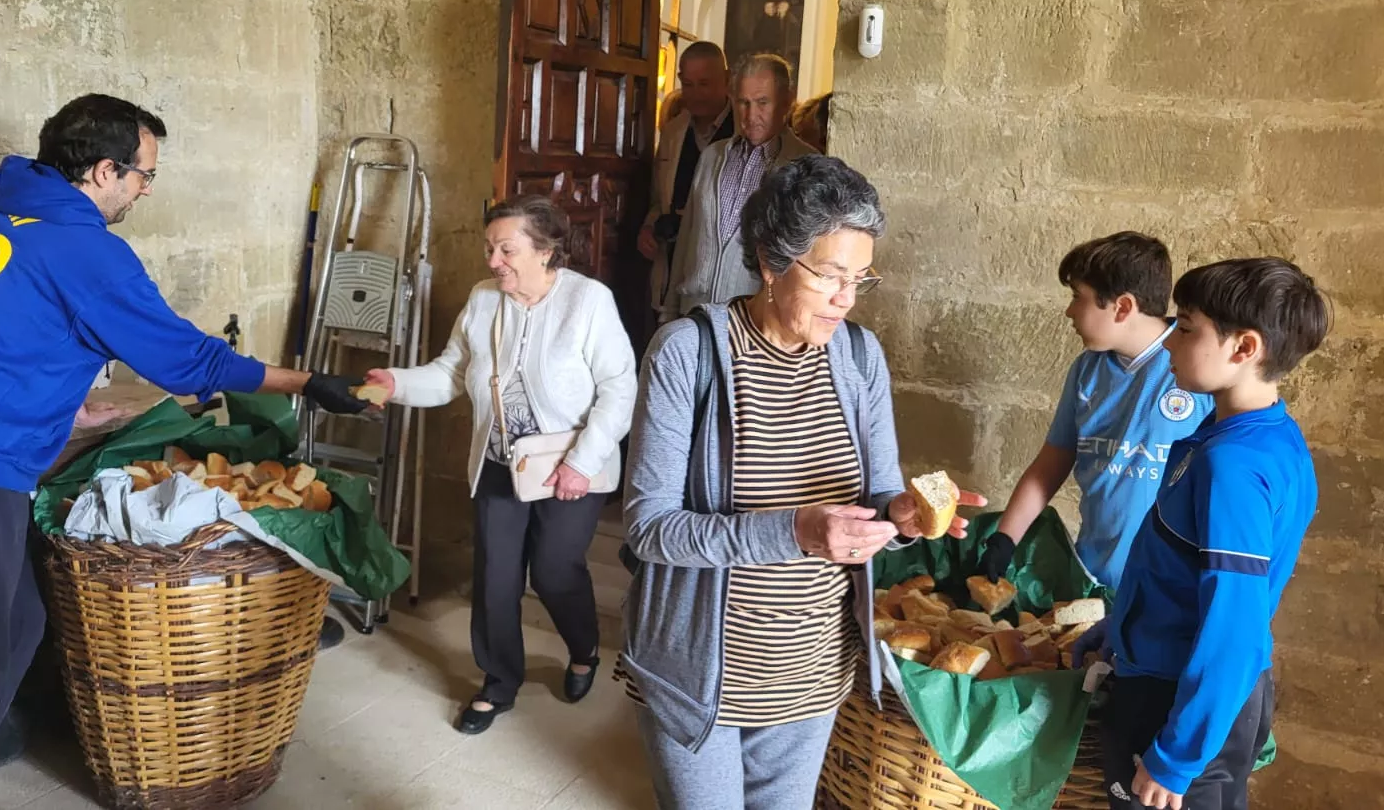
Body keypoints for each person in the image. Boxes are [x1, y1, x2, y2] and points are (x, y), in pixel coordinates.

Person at [0, 93, 369, 810]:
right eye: (143, 175)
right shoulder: (87, 249)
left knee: (15, 621)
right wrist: (307, 381)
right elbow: (187, 360)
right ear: (104, 170)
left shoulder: (5, 197)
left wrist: (62, 403)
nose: (146, 189)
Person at [618, 155, 985, 809]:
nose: (846, 298)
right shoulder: (688, 353)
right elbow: (650, 527)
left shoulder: (857, 357)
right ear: (769, 260)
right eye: (829, 276)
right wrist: (794, 530)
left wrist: (899, 518)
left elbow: (874, 499)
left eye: (860, 279)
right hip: (702, 674)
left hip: (812, 675)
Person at [360, 194, 637, 735]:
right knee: (495, 578)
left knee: (556, 571)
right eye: (490, 248)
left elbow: (619, 388)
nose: (493, 261)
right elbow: (450, 374)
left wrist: (582, 462)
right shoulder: (484, 300)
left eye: (506, 249)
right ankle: (498, 681)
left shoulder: (589, 301)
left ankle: (583, 650)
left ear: (546, 250)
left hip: (569, 466)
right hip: (498, 460)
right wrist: (397, 383)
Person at [1072, 257, 1330, 810]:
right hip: (1187, 684)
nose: (1169, 342)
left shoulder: (1233, 466)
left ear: (1244, 348)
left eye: (1186, 328)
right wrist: (1120, 629)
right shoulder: (1258, 437)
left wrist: (1178, 756)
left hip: (1178, 698)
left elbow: (1235, 622)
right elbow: (1175, 569)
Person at [977, 232, 1213, 592]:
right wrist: (1005, 538)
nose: (1069, 311)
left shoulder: (1195, 368)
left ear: (1121, 307)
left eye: (1077, 297)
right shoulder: (1086, 370)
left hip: (1165, 591)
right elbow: (1053, 460)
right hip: (1094, 576)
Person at [665, 53, 816, 320]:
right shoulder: (713, 156)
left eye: (762, 102)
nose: (750, 114)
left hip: (754, 324)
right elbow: (688, 235)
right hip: (694, 313)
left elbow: (806, 258)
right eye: (743, 102)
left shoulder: (805, 167)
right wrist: (670, 310)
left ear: (787, 101)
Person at [639, 41, 735, 327]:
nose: (695, 95)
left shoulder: (743, 131)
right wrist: (649, 226)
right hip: (672, 265)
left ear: (726, 80)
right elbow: (659, 198)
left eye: (705, 84)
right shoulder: (673, 132)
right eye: (688, 84)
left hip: (718, 268)